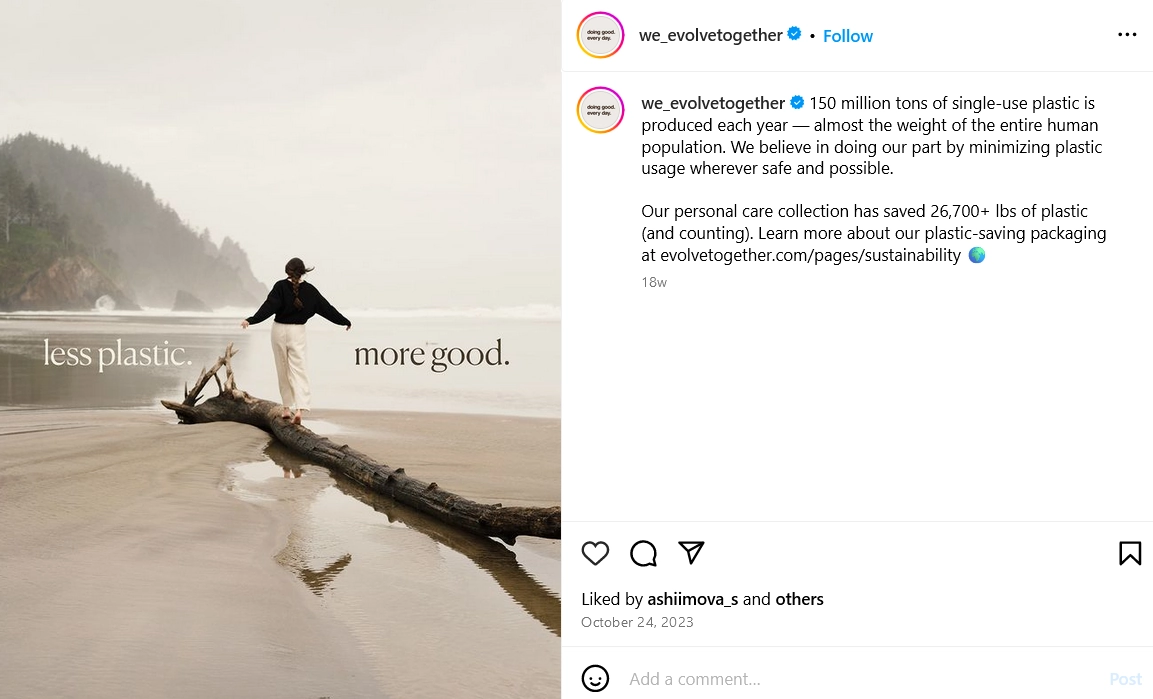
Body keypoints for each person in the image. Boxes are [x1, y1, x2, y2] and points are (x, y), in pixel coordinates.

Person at [241, 257, 351, 424]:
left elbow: (268, 306)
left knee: (282, 368)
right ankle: (299, 409)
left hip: (278, 330)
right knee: (298, 369)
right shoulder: (311, 291)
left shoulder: (280, 286)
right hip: (297, 331)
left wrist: (251, 320)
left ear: (287, 270)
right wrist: (344, 321)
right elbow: (326, 309)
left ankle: (286, 409)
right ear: (303, 272)